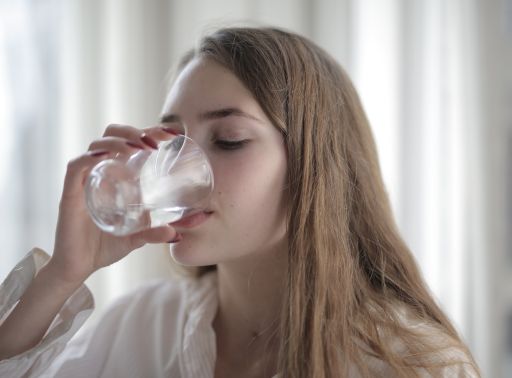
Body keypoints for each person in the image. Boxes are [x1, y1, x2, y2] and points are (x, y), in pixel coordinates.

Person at [0, 27, 480, 377]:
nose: (175, 169)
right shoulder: (141, 325)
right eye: (172, 141)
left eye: (228, 139)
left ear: (314, 168)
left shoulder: (414, 365)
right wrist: (62, 276)